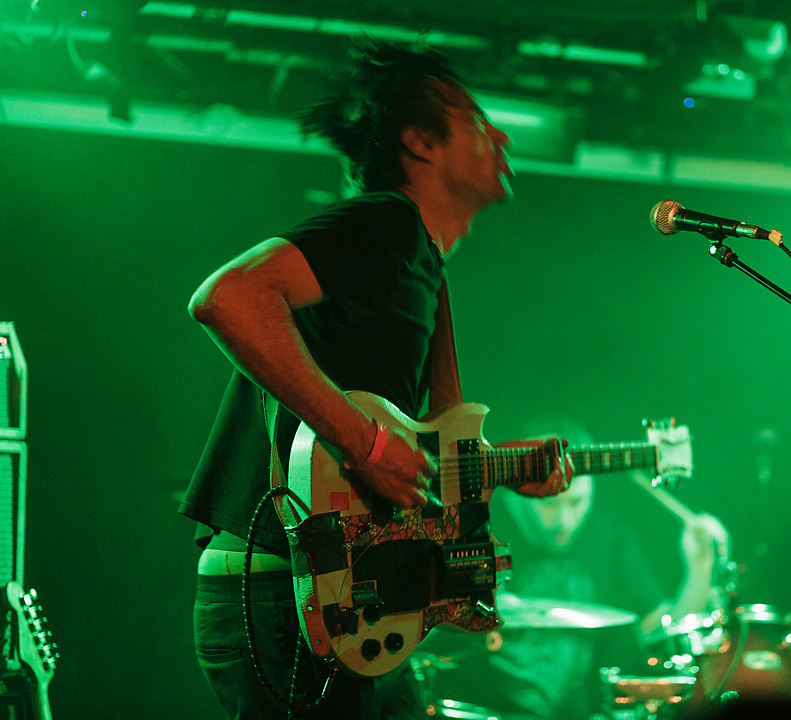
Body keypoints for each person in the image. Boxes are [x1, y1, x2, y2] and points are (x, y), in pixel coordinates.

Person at [178, 37, 573, 720]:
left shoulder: (422, 270)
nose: (503, 133)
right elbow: (227, 299)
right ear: (420, 141)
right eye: (479, 123)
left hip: (329, 599)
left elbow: (422, 458)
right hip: (288, 596)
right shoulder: (386, 222)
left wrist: (504, 470)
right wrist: (367, 445)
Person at [420, 418, 730, 720]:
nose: (564, 521)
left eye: (577, 502)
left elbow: (664, 635)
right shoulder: (474, 532)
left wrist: (699, 568)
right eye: (550, 504)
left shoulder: (609, 541)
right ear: (517, 492)